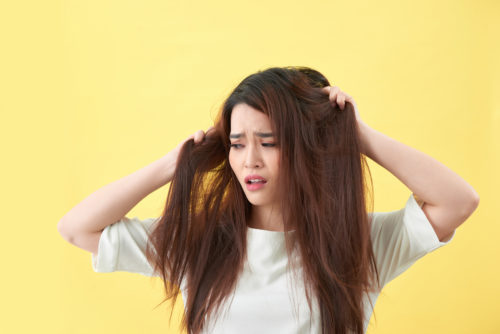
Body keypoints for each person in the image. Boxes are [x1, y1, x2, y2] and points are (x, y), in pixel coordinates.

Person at [57, 66, 479, 334]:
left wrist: (357, 134)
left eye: (269, 142)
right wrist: (174, 164)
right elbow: (77, 229)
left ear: (306, 146)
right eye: (237, 144)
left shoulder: (359, 242)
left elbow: (457, 202)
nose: (250, 161)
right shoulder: (199, 242)